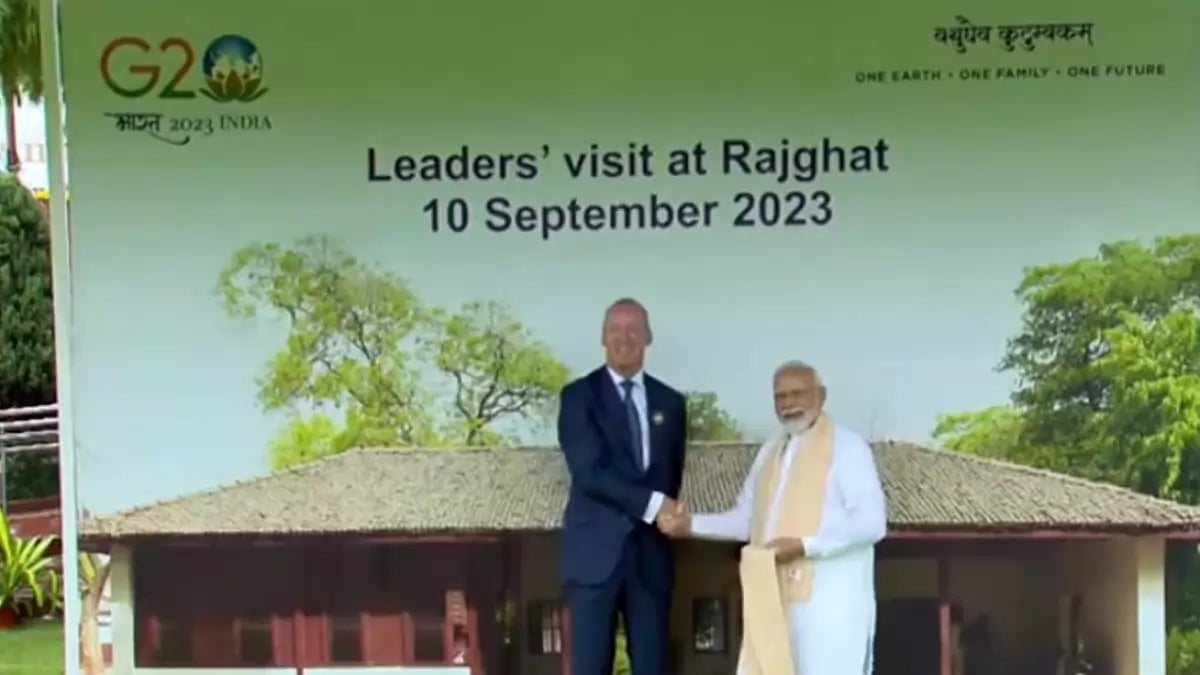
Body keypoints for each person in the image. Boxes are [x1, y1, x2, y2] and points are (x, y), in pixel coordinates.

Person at [663, 360, 887, 675]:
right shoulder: (770, 453)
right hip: (773, 601)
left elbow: (872, 522)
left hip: (829, 609)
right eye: (780, 397)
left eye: (797, 394)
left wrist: (806, 545)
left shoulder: (848, 448)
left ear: (821, 396)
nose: (788, 404)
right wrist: (691, 525)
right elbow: (747, 520)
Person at [557, 297, 689, 675]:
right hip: (593, 559)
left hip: (650, 560)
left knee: (653, 667)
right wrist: (653, 505)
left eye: (633, 329)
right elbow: (588, 471)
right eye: (615, 330)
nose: (624, 338)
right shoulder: (579, 397)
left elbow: (671, 476)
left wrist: (665, 513)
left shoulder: (671, 403)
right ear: (603, 337)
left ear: (648, 337)